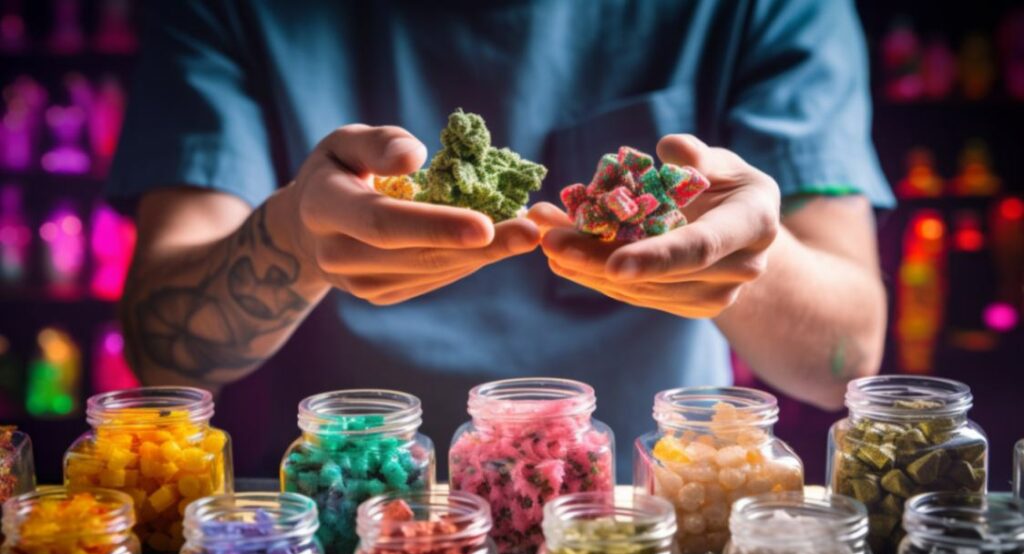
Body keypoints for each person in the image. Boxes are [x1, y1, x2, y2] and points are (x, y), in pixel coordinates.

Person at [109, 0, 892, 478]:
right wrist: (294, 236)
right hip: (354, 494)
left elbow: (846, 361)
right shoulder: (230, 9)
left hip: (631, 505)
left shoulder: (772, 5)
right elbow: (165, 355)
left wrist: (751, 261)